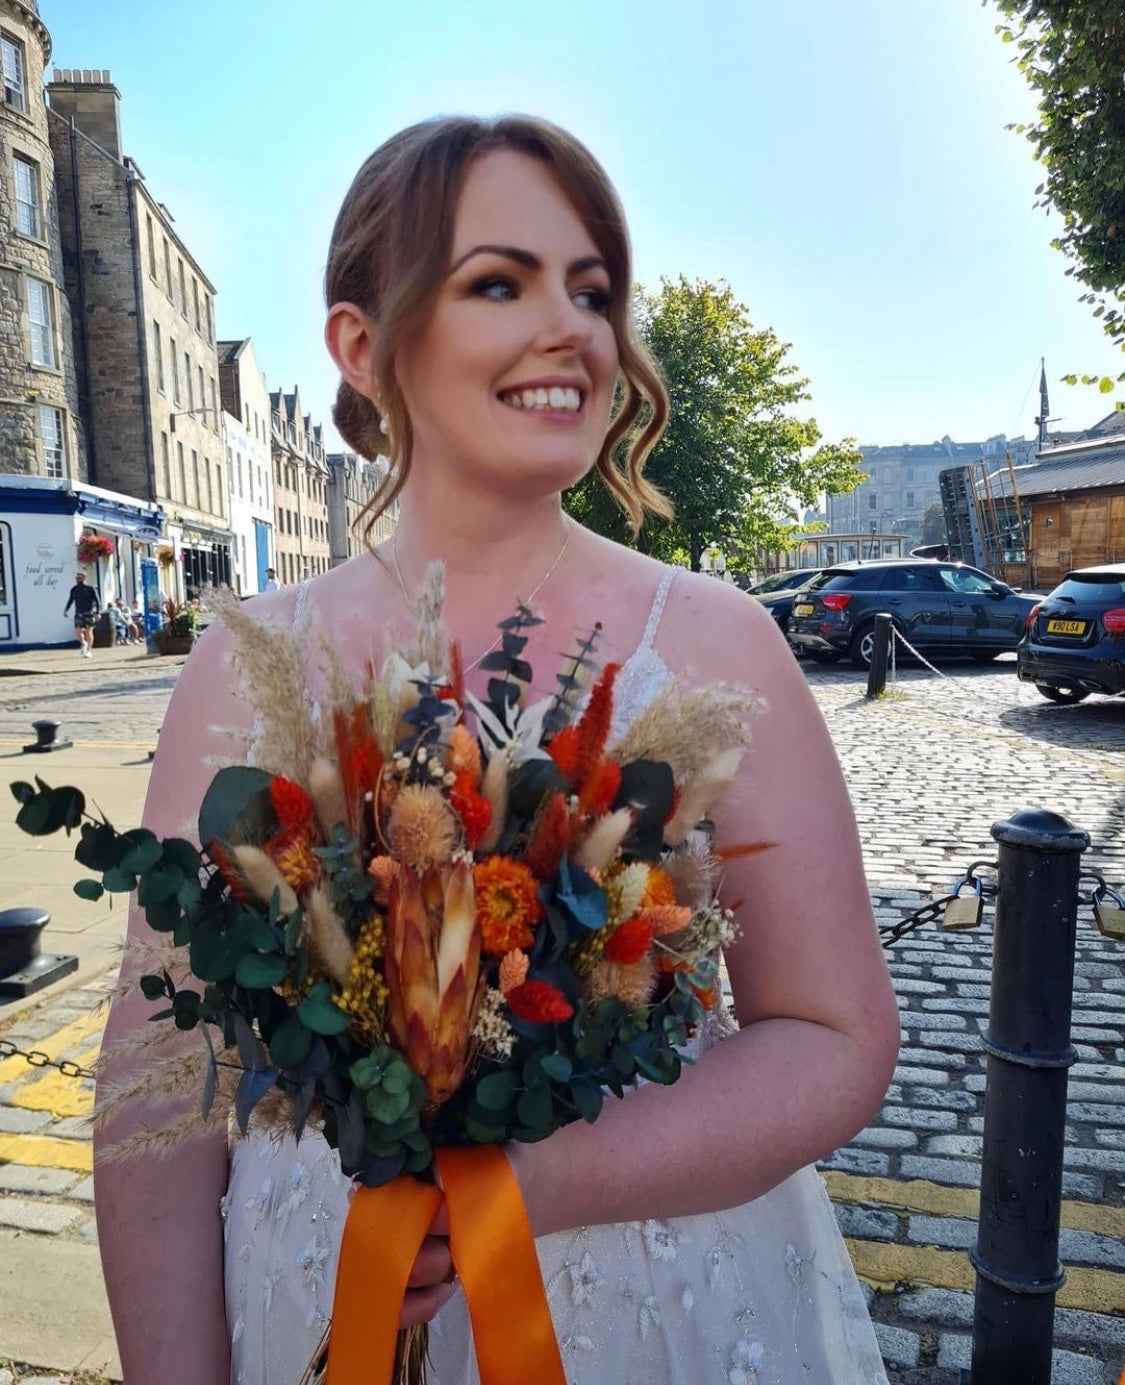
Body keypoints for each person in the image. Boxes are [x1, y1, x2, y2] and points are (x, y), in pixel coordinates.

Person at [95, 116, 900, 1384]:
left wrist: (531, 1179)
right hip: (319, 1287)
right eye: (497, 282)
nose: (573, 327)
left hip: (650, 1300)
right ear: (364, 345)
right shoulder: (246, 658)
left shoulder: (718, 646)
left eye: (592, 289)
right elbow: (160, 1092)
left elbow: (833, 1031)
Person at [63, 571, 100, 657]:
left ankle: (89, 650)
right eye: (77, 578)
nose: (77, 580)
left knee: (89, 631)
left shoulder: (90, 589)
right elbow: (70, 600)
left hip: (89, 613)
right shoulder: (74, 589)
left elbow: (98, 601)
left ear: (84, 578)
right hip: (78, 613)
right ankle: (84, 643)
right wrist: (66, 610)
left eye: (79, 578)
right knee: (77, 632)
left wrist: (98, 612)